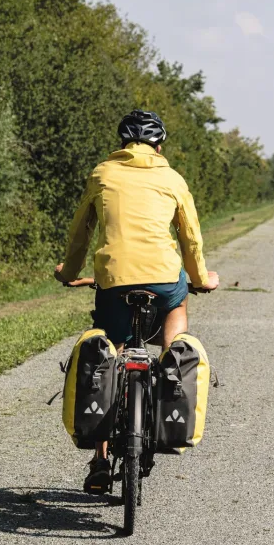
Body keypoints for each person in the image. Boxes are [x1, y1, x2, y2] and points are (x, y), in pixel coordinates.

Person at [54, 109, 219, 493]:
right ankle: (172, 359)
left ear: (122, 143)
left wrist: (69, 271)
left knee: (107, 353)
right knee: (178, 302)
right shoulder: (173, 179)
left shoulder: (102, 174)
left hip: (113, 281)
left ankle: (99, 459)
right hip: (163, 279)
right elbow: (190, 239)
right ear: (159, 145)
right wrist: (199, 280)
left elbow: (81, 232)